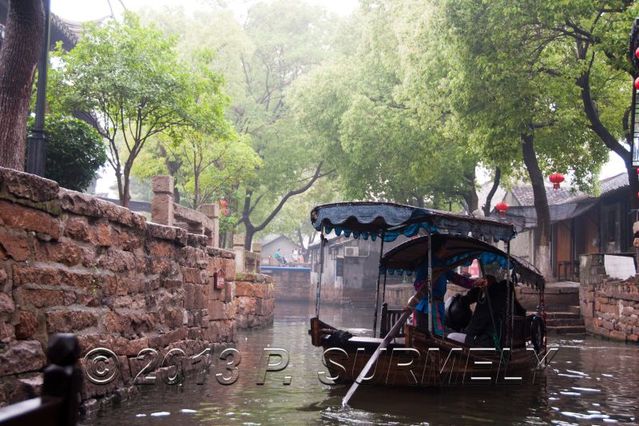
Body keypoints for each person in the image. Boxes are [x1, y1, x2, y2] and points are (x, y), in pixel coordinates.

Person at [405, 239, 489, 336]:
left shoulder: (441, 265)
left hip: (437, 305)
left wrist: (474, 282)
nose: (446, 250)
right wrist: (429, 281)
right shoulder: (426, 264)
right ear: (440, 248)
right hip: (427, 306)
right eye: (445, 248)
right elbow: (417, 285)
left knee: (436, 335)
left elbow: (455, 278)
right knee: (429, 335)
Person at [447, 279, 526, 347]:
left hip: (489, 343)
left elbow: (473, 329)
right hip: (505, 343)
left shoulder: (489, 302)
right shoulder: (514, 305)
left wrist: (463, 332)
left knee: (451, 336)